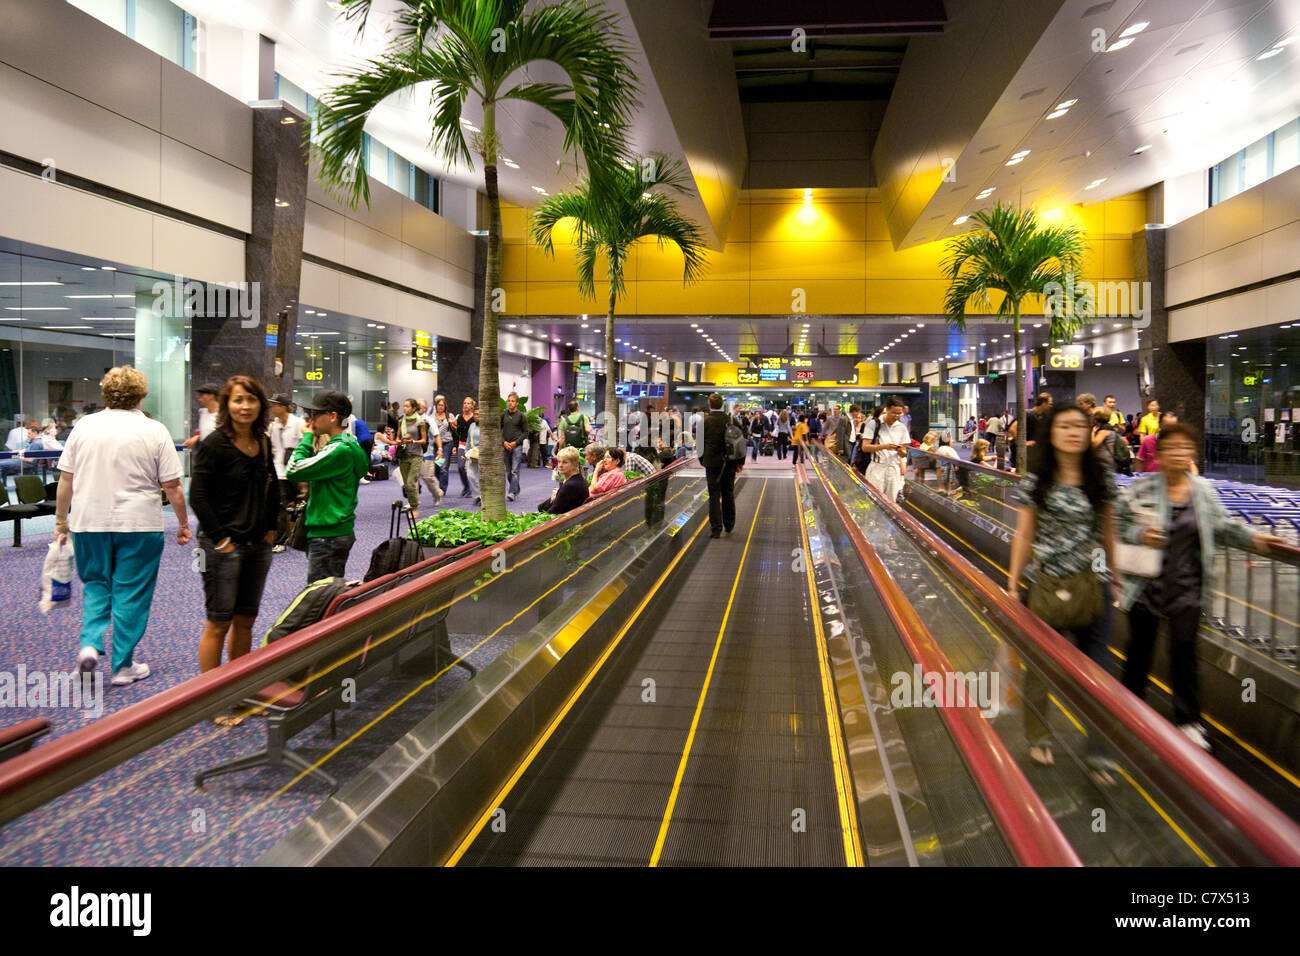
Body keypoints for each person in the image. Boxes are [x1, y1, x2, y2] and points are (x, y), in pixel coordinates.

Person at [1117, 424, 1282, 751]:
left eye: (1184, 448)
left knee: (1184, 653)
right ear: (1158, 454)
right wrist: (1140, 535)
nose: (1178, 453)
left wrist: (1253, 537)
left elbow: (1221, 526)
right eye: (1171, 447)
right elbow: (1116, 523)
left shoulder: (1203, 491)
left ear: (1192, 453)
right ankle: (1128, 712)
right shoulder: (1142, 489)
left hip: (1187, 588)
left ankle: (1188, 720)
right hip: (1145, 588)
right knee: (1139, 653)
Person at [55, 366, 190, 685]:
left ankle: (89, 646)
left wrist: (62, 522)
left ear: (105, 395)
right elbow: (173, 486)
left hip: (89, 522)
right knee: (131, 592)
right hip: (139, 524)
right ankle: (123, 666)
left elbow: (65, 480)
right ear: (142, 396)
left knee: (97, 587)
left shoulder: (84, 426)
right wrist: (183, 523)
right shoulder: (155, 430)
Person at [1006, 402, 1119, 780]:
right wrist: (1012, 579)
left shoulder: (1101, 478)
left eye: (1079, 426)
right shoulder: (1036, 482)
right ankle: (1039, 736)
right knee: (1040, 667)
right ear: (1051, 433)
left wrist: (1115, 577)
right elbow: (1024, 532)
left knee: (1099, 671)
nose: (1073, 433)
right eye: (1064, 426)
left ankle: (1100, 753)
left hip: (1091, 585)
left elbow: (1109, 533)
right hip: (1045, 585)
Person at [190, 376, 279, 687]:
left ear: (260, 405)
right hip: (221, 546)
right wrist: (222, 540)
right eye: (238, 400)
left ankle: (238, 691)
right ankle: (212, 700)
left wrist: (270, 530)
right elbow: (197, 496)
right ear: (227, 405)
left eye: (251, 400)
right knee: (219, 622)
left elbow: (274, 487)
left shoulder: (263, 441)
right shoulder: (215, 444)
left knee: (246, 620)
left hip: (257, 545)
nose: (245, 406)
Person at [287, 389, 370, 583]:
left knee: (320, 597)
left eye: (315, 414)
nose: (310, 420)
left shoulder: (338, 450)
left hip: (328, 535)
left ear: (332, 416)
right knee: (329, 591)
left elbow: (293, 469)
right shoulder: (350, 444)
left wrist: (307, 438)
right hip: (337, 531)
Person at [268, 394, 306, 553]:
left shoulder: (298, 423)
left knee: (297, 505)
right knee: (281, 505)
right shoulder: (274, 426)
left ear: (283, 407)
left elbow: (306, 444)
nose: (273, 408)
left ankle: (296, 536)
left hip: (295, 470)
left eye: (275, 405)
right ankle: (281, 540)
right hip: (279, 471)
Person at [859, 396, 911, 503]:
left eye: (899, 413)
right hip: (877, 468)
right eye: (894, 413)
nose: (896, 416)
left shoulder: (901, 427)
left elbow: (904, 452)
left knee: (891, 502)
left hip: (893, 469)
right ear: (887, 410)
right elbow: (865, 447)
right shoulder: (874, 424)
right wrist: (884, 446)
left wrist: (902, 452)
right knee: (874, 500)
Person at [700, 393, 737, 538]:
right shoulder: (730, 420)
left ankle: (716, 529)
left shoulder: (705, 422)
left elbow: (699, 445)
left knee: (714, 495)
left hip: (711, 463)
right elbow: (739, 441)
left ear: (710, 405)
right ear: (722, 404)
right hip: (729, 462)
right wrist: (739, 462)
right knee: (728, 492)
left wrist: (703, 461)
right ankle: (729, 524)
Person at [393, 398, 428, 518]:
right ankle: (412, 502)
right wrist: (399, 441)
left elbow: (424, 440)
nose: (405, 408)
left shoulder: (420, 422)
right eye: (404, 406)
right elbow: (397, 438)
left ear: (414, 409)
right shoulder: (401, 421)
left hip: (416, 455)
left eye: (407, 406)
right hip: (403, 455)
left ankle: (414, 507)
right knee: (407, 484)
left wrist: (412, 441)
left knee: (410, 482)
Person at [541, 446, 589, 515]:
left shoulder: (570, 486)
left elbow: (551, 513)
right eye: (559, 462)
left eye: (565, 462)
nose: (560, 465)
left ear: (575, 464)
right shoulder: (578, 479)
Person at [428, 394, 455, 499]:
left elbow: (455, 430)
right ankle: (443, 481)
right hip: (435, 445)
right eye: (439, 405)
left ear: (445, 406)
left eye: (442, 405)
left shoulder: (450, 416)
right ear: (436, 406)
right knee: (435, 468)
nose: (440, 407)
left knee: (444, 468)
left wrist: (452, 424)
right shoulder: (431, 418)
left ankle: (442, 489)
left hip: (447, 444)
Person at [502, 391, 528, 501]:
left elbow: (526, 432)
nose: (510, 403)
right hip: (505, 445)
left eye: (513, 401)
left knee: (514, 470)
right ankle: (516, 488)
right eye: (509, 401)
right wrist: (503, 442)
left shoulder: (521, 416)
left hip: (516, 446)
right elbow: (498, 430)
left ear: (517, 403)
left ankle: (512, 492)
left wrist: (516, 443)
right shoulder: (503, 415)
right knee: (508, 472)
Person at [183, 383, 221, 448]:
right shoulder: (202, 412)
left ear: (211, 396)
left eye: (201, 395)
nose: (198, 398)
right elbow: (203, 430)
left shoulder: (224, 415)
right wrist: (196, 437)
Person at [454, 397, 476, 497]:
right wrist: (455, 446)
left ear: (472, 406)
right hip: (462, 445)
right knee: (460, 467)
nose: (466, 405)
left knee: (470, 468)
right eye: (464, 403)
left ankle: (471, 489)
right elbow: (456, 434)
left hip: (472, 446)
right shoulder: (459, 418)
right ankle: (466, 486)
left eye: (468, 403)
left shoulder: (474, 418)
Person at [465, 411, 482, 507]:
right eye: (475, 414)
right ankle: (477, 496)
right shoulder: (472, 426)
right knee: (470, 475)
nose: (477, 416)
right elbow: (468, 440)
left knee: (481, 478)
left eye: (479, 414)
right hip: (473, 454)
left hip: (484, 454)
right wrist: (466, 452)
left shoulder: (486, 426)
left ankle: (482, 497)